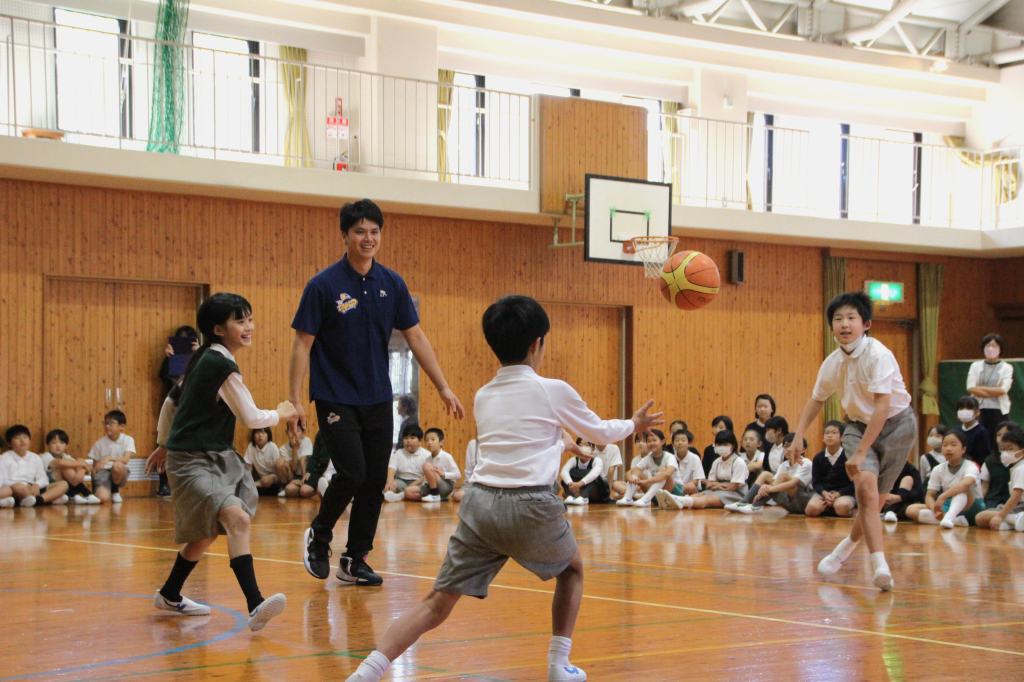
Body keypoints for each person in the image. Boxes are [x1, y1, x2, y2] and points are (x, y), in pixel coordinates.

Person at [343, 295, 662, 682]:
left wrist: (560, 444)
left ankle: (366, 672)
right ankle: (559, 665)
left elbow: (514, 446)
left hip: (480, 504)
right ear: (537, 344)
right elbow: (601, 432)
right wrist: (633, 421)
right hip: (531, 505)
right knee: (573, 572)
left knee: (435, 603)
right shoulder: (553, 389)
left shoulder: (483, 395)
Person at [291, 199, 465, 585]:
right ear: (345, 235)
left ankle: (355, 558)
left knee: (373, 480)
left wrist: (443, 386)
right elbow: (302, 343)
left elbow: (415, 336)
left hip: (376, 396)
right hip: (335, 394)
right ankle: (320, 535)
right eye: (359, 231)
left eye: (374, 232)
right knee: (352, 471)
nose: (368, 238)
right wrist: (296, 400)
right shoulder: (323, 285)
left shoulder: (392, 284)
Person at [145, 292, 294, 631]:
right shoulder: (220, 365)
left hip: (213, 457)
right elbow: (252, 417)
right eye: (239, 320)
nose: (249, 326)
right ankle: (256, 604)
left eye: (250, 319)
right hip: (193, 460)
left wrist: (163, 442)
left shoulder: (202, 357)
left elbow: (172, 401)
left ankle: (169, 594)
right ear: (217, 328)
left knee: (208, 532)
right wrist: (281, 412)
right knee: (236, 519)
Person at [791, 291, 916, 592]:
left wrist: (860, 454)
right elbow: (816, 400)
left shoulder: (879, 355)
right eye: (837, 319)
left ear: (866, 323)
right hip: (858, 426)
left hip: (898, 426)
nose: (844, 324)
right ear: (830, 326)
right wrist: (797, 435)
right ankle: (880, 565)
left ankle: (843, 549)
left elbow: (883, 408)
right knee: (866, 493)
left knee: (877, 500)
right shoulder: (832, 363)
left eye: (851, 318)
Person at [906, 430, 983, 528]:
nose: (948, 449)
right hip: (948, 505)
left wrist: (943, 496)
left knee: (961, 490)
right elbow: (929, 495)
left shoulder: (971, 466)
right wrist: (935, 510)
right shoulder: (938, 469)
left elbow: (966, 484)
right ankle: (953, 520)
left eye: (953, 445)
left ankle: (948, 518)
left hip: (971, 506)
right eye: (945, 445)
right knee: (911, 510)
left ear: (963, 449)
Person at [726, 433, 813, 515]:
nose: (788, 449)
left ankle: (757, 505)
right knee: (765, 474)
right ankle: (744, 502)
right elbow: (775, 482)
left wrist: (769, 489)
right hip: (788, 501)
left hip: (804, 501)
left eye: (791, 446)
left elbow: (792, 483)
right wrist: (766, 487)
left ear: (803, 449)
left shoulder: (806, 463)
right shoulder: (783, 465)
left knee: (783, 476)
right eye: (785, 446)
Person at [159, 326, 200, 497]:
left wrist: (199, 353)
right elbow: (162, 376)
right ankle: (163, 484)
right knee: (166, 443)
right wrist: (168, 358)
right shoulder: (173, 357)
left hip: (194, 406)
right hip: (174, 405)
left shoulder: (203, 356)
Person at [660, 430, 747, 510]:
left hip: (736, 493)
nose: (721, 447)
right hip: (718, 490)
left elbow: (733, 487)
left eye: (725, 444)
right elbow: (709, 485)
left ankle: (680, 501)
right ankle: (675, 501)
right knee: (698, 495)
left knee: (706, 499)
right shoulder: (716, 462)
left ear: (733, 445)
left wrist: (716, 485)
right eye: (719, 445)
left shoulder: (739, 462)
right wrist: (717, 486)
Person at [2, 425, 69, 507]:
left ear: (29, 440)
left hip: (34, 489)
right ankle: (49, 499)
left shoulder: (35, 457)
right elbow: (3, 480)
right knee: (18, 487)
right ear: (9, 443)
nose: (22, 440)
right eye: (17, 438)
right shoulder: (4, 458)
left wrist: (37, 484)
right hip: (17, 489)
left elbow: (43, 478)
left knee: (63, 484)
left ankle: (38, 500)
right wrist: (22, 485)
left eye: (25, 437)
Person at [967, 333, 1013, 450]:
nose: (991, 348)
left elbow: (1003, 390)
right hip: (979, 410)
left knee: (997, 441)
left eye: (994, 345)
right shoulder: (975, 366)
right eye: (988, 345)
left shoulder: (1007, 367)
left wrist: (981, 389)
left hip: (998, 411)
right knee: (979, 441)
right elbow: (971, 387)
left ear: (1000, 348)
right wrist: (993, 391)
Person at [805, 421, 857, 519]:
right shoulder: (818, 458)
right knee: (812, 509)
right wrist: (824, 493)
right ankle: (828, 508)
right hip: (824, 493)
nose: (830, 436)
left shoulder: (849, 456)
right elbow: (816, 482)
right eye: (827, 433)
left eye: (834, 433)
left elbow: (853, 483)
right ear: (823, 437)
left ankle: (847, 511)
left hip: (844, 494)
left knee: (842, 506)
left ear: (842, 437)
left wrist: (837, 494)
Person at [976, 428, 1024, 531]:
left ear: (1022, 452)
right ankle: (1013, 523)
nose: (1006, 453)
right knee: (986, 520)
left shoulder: (1021, 469)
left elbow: (1016, 496)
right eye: (1004, 449)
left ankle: (1015, 518)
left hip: (1021, 506)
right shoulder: (1016, 467)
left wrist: (1001, 516)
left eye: (1010, 449)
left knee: (980, 517)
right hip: (1019, 506)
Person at [617, 430, 681, 507]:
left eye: (654, 440)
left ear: (663, 442)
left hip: (674, 492)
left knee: (663, 471)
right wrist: (632, 480)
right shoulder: (647, 458)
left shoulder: (669, 457)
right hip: (656, 492)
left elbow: (668, 474)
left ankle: (646, 499)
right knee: (636, 472)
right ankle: (627, 498)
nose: (651, 443)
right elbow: (628, 473)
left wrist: (646, 481)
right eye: (649, 441)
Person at [87, 410, 134, 504]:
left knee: (118, 465)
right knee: (102, 497)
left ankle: (115, 490)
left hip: (119, 472)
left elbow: (125, 460)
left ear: (121, 426)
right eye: (106, 423)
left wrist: (108, 458)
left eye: (111, 423)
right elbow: (95, 468)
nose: (108, 426)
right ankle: (104, 491)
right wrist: (95, 487)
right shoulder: (99, 444)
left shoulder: (128, 440)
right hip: (103, 473)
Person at [41, 429, 98, 505]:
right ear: (48, 445)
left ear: (67, 446)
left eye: (61, 443)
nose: (58, 445)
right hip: (51, 485)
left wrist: (82, 471)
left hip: (66, 484)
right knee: (66, 467)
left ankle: (73, 495)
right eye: (54, 443)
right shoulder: (45, 456)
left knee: (78, 461)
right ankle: (86, 493)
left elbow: (87, 468)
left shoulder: (67, 456)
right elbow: (61, 463)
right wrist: (83, 465)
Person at [382, 426, 432, 502]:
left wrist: (415, 484)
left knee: (411, 491)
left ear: (420, 441)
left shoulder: (426, 455)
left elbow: (427, 475)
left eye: (412, 438)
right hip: (401, 481)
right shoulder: (398, 453)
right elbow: (391, 470)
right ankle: (402, 494)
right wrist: (390, 483)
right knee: (386, 488)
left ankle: (401, 495)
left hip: (419, 482)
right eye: (406, 438)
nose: (408, 441)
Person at [980, 420, 1018, 511]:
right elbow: (985, 486)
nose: (1001, 438)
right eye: (998, 435)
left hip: (1014, 502)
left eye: (1005, 434)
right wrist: (979, 503)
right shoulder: (989, 460)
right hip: (993, 502)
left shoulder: (1019, 460)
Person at [416, 427, 461, 502]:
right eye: (427, 440)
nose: (429, 442)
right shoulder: (428, 458)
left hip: (445, 486)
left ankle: (435, 495)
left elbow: (458, 474)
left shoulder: (447, 457)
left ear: (441, 442)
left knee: (426, 465)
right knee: (409, 492)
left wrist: (442, 473)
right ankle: (439, 497)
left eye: (433, 440)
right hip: (431, 485)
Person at [245, 427, 288, 497]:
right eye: (257, 432)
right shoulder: (251, 447)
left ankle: (280, 488)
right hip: (261, 479)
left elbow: (279, 468)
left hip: (275, 477)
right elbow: (249, 468)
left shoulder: (272, 447)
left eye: (263, 433)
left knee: (265, 481)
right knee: (247, 486)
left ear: (268, 435)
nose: (260, 435)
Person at [954, 395, 990, 466]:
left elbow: (983, 457)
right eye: (961, 408)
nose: (964, 411)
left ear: (977, 412)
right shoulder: (956, 430)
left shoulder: (982, 432)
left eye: (968, 408)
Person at [612, 434, 649, 501]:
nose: (640, 444)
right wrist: (632, 482)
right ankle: (630, 494)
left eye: (644, 441)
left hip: (647, 486)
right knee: (615, 483)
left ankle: (628, 494)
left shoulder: (651, 458)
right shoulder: (635, 460)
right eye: (638, 441)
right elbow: (631, 476)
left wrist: (639, 486)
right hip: (636, 487)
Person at [453, 435, 478, 503]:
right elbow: (469, 470)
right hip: (475, 484)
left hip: (493, 485)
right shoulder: (473, 444)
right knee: (458, 496)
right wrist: (467, 485)